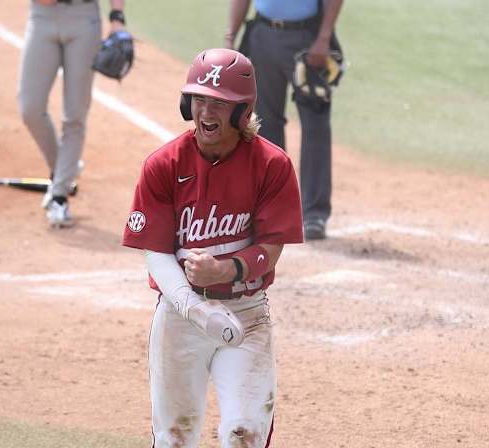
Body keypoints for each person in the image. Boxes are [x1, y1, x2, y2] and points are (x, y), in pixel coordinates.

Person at [122, 48, 303, 448]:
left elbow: (270, 249)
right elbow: (155, 250)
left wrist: (225, 271)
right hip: (180, 316)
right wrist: (193, 305)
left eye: (220, 103)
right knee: (174, 437)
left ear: (242, 112)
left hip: (247, 315)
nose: (207, 111)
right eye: (199, 99)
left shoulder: (271, 166)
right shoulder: (164, 165)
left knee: (245, 434)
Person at [226, 0, 344, 240]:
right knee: (265, 124)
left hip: (307, 39)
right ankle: (272, 207)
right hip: (262, 35)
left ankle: (314, 214)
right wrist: (230, 37)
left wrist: (324, 36)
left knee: (315, 124)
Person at [18, 0, 128, 228]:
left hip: (83, 18)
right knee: (30, 108)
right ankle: (65, 168)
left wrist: (117, 17)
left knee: (75, 114)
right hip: (42, 16)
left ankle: (59, 195)